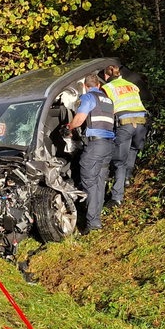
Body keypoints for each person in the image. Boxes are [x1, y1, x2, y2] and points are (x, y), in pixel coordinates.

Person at [66, 72, 116, 232]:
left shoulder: (88, 98)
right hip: (109, 145)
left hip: (95, 146)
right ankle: (96, 218)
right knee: (100, 183)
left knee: (89, 183)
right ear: (99, 85)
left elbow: (80, 119)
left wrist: (69, 127)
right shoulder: (108, 101)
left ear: (85, 87)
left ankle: (93, 223)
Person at [102, 63, 148, 206]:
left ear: (106, 76)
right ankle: (127, 177)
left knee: (119, 162)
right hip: (142, 123)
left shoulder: (107, 87)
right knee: (133, 149)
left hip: (125, 124)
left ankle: (117, 197)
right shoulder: (132, 85)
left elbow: (105, 109)